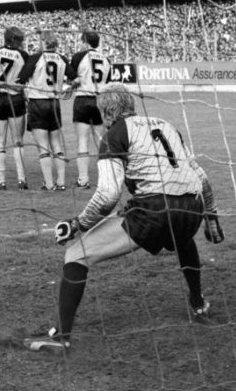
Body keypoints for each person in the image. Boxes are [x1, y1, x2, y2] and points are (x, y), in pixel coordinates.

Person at [24, 85, 224, 352]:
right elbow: (201, 177)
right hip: (193, 209)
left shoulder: (115, 133)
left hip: (155, 211)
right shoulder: (166, 125)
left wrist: (77, 224)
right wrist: (211, 217)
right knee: (182, 238)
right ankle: (199, 304)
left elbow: (107, 195)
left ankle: (60, 337)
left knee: (76, 254)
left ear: (107, 113)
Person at [17, 30, 70, 190]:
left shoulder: (35, 58)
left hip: (38, 103)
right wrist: (68, 88)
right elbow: (76, 78)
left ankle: (49, 184)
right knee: (57, 144)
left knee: (42, 146)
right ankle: (61, 182)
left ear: (44, 42)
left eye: (40, 40)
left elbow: (21, 78)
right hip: (54, 104)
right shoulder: (62, 59)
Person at [67, 29, 112, 189]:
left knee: (82, 142)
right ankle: (107, 179)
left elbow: (71, 77)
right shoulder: (106, 60)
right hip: (100, 100)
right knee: (102, 142)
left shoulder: (79, 56)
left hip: (83, 100)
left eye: (81, 41)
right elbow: (109, 84)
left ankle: (83, 179)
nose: (80, 44)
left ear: (85, 42)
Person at [0, 26, 30, 190]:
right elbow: (24, 79)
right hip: (16, 98)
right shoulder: (23, 55)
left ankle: (1, 181)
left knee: (0, 142)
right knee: (18, 141)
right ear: (16, 40)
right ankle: (21, 180)